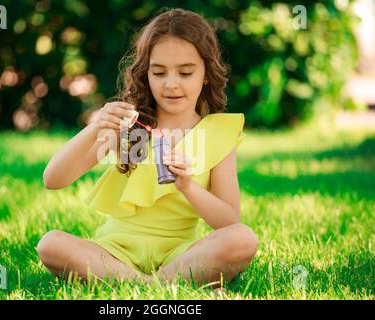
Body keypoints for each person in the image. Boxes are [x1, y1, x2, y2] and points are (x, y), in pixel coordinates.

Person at [37, 8, 258, 289]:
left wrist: (188, 187)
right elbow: (53, 179)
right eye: (159, 72)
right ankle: (158, 286)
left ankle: (138, 284)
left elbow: (229, 222)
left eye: (186, 72)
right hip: (115, 252)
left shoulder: (218, 133)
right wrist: (94, 129)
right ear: (146, 74)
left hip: (180, 255)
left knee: (243, 239)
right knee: (51, 244)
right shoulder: (128, 125)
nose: (171, 84)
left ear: (205, 74)